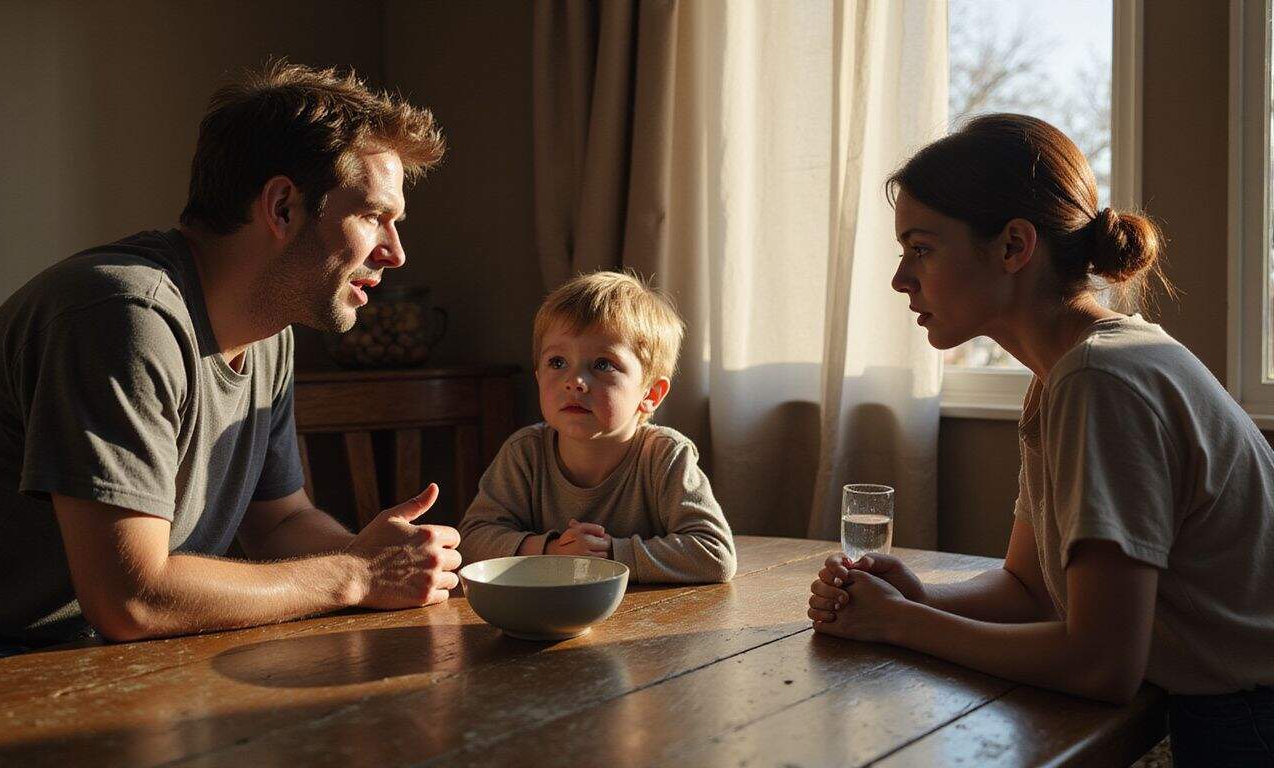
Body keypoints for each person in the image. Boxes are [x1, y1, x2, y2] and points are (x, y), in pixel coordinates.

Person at [0, 61, 463, 676]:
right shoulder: (122, 316)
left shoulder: (270, 332)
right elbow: (130, 599)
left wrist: (384, 562)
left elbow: (281, 522)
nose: (395, 252)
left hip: (93, 658)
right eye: (373, 216)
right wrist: (357, 574)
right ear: (283, 207)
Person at [808, 113, 1274, 766]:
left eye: (920, 248)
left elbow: (1102, 666)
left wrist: (898, 624)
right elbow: (1028, 591)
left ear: (1013, 247)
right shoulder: (1067, 375)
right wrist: (912, 593)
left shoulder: (1100, 380)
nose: (899, 279)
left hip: (1246, 721)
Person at [458, 271, 737, 583]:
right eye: (557, 363)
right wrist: (552, 551)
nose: (575, 382)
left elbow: (715, 554)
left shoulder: (665, 456)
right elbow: (471, 541)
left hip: (646, 623)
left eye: (603, 365)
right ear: (538, 376)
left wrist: (609, 555)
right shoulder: (525, 452)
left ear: (650, 394)